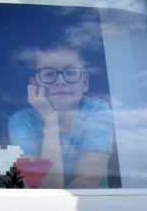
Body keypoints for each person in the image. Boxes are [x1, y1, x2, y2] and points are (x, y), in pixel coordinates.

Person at [8, 46, 113, 189]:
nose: (60, 81)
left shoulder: (97, 110)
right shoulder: (21, 121)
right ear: (33, 84)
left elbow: (86, 184)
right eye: (49, 74)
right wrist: (50, 120)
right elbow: (46, 189)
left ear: (85, 82)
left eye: (70, 73)